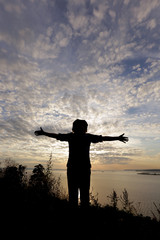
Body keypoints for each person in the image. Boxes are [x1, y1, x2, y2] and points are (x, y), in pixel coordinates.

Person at [34, 119, 128, 207]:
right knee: (81, 196)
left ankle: (78, 217)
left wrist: (44, 133)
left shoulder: (75, 136)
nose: (82, 129)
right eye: (82, 127)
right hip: (80, 169)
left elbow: (57, 136)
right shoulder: (82, 137)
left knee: (77, 196)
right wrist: (118, 138)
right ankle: (81, 218)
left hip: (77, 169)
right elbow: (103, 138)